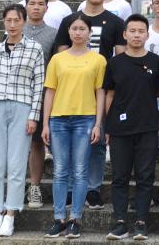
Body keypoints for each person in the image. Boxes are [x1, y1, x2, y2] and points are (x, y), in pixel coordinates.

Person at [55, 0, 126, 211]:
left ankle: (93, 188)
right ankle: (71, 188)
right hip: (72, 89)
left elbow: (120, 57)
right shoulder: (70, 20)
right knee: (71, 143)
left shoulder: (115, 22)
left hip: (102, 89)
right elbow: (61, 54)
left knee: (97, 142)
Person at [0, 4, 46, 237]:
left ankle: (10, 215)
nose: (12, 24)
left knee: (16, 164)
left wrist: (33, 116)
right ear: (4, 22)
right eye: (8, 20)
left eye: (17, 20)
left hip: (22, 107)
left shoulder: (34, 49)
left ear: (24, 21)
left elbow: (38, 85)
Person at [42, 14, 107, 239]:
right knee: (60, 170)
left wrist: (98, 123)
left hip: (85, 119)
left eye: (82, 28)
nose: (78, 32)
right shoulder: (57, 59)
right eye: (74, 28)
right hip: (58, 119)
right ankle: (59, 218)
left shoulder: (98, 60)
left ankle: (75, 219)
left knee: (80, 170)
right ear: (68, 32)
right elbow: (50, 91)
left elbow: (100, 93)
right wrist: (45, 123)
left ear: (89, 32)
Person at [103, 14, 159, 241]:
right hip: (119, 129)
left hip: (147, 127)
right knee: (119, 176)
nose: (137, 35)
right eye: (132, 31)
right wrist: (107, 125)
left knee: (145, 176)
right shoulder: (114, 63)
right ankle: (120, 222)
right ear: (125, 34)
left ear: (147, 35)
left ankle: (141, 222)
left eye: (141, 31)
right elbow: (109, 94)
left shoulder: (157, 62)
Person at [22, 0, 59, 209]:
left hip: (42, 94)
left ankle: (34, 186)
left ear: (47, 7)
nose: (36, 7)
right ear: (26, 5)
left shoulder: (54, 34)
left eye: (40, 4)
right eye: (32, 3)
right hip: (17, 94)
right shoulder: (15, 29)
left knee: (37, 142)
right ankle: (17, 186)